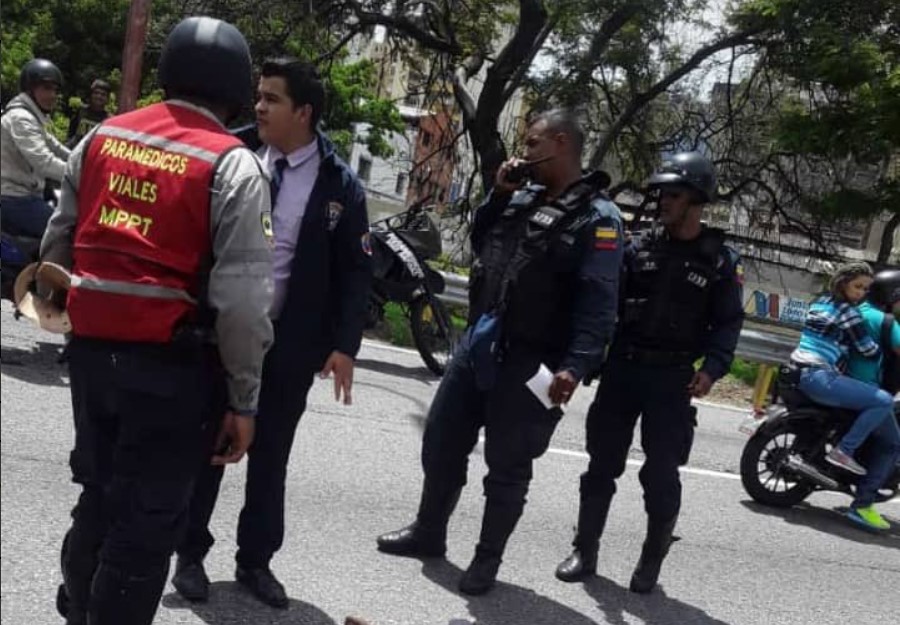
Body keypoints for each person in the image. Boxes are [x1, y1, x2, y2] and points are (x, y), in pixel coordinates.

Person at [38, 16, 274, 625]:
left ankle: (77, 608)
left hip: (91, 358)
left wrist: (80, 323)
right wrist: (244, 401)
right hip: (173, 371)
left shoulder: (102, 139)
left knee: (99, 494)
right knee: (145, 527)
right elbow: (244, 305)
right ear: (233, 85)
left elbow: (56, 247)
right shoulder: (233, 165)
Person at [376, 109, 623, 596]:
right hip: (482, 340)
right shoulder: (521, 196)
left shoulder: (599, 217)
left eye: (532, 144)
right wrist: (498, 194)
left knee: (508, 467)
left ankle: (486, 560)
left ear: (560, 143)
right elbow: (479, 243)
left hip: (537, 362)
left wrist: (575, 366)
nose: (523, 152)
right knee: (442, 440)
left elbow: (599, 302)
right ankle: (429, 532)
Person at [173, 56, 373, 608]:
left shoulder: (339, 185)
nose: (258, 107)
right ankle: (188, 555)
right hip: (221, 332)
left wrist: (344, 345)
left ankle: (255, 562)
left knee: (271, 454)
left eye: (272, 99)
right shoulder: (230, 152)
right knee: (211, 444)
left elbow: (357, 272)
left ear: (304, 112)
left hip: (289, 343)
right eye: (258, 96)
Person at [555, 152, 745, 594]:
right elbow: (604, 303)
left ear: (696, 200)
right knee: (601, 466)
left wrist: (713, 370)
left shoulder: (719, 260)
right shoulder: (637, 246)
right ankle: (585, 549)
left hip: (672, 381)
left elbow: (729, 323)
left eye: (673, 194)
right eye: (660, 193)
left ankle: (651, 558)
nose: (662, 201)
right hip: (622, 370)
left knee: (660, 475)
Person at [789, 262, 894, 478]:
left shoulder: (820, 302)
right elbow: (867, 350)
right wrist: (882, 349)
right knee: (883, 400)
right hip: (818, 376)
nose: (862, 293)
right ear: (843, 283)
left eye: (865, 289)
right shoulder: (848, 311)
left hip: (795, 369)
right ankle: (844, 451)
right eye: (858, 287)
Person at [842, 267, 900, 530]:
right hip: (867, 389)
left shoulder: (857, 311)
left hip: (843, 382)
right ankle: (862, 505)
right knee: (892, 443)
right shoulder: (885, 321)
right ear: (891, 295)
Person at [1, 58, 71, 237]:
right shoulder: (21, 118)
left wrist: (84, 160)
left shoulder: (34, 117)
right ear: (29, 89)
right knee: (64, 233)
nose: (53, 95)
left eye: (55, 89)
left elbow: (56, 147)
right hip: (13, 198)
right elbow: (44, 162)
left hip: (27, 195)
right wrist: (83, 174)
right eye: (46, 88)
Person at [66, 79, 111, 147]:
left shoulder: (109, 120)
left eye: (103, 94)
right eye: (96, 93)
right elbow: (71, 133)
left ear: (107, 98)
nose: (99, 96)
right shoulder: (81, 111)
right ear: (91, 95)